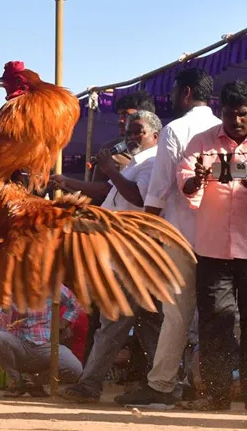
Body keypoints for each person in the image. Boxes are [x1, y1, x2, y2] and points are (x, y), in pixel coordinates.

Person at [115, 68, 219, 408]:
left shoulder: (175, 129)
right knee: (213, 314)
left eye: (175, 93)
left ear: (185, 93)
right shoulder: (222, 127)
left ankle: (161, 385)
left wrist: (148, 236)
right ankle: (203, 384)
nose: (171, 99)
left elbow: (157, 192)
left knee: (176, 314)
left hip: (178, 233)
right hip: (218, 236)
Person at [56, 111, 164, 403]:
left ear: (155, 135)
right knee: (149, 323)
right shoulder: (134, 164)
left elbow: (139, 198)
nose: (131, 137)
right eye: (129, 132)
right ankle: (166, 385)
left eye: (137, 132)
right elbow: (109, 198)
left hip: (135, 251)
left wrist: (110, 169)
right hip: (124, 249)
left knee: (114, 320)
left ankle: (89, 385)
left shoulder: (154, 161)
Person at [177, 80, 247, 411]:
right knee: (215, 323)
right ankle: (217, 395)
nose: (236, 121)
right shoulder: (200, 141)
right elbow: (185, 186)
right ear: (220, 112)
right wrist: (200, 178)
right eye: (230, 114)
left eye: (243, 115)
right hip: (212, 250)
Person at [0, 286, 83, 397]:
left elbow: (76, 303)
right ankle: (17, 380)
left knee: (75, 369)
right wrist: (6, 306)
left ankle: (33, 382)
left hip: (44, 346)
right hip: (17, 345)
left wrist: (61, 324)